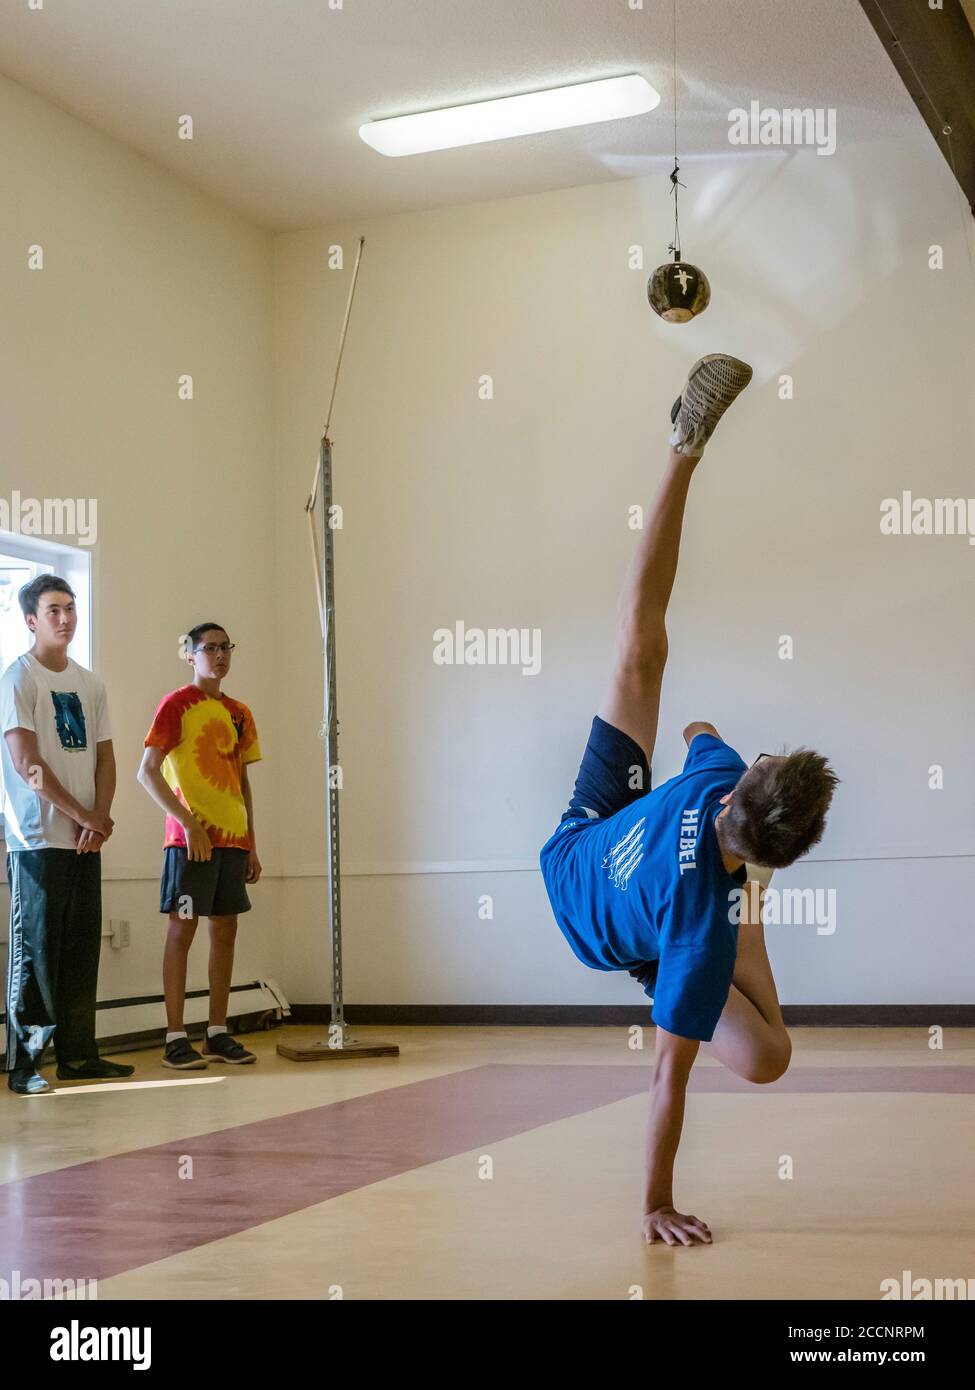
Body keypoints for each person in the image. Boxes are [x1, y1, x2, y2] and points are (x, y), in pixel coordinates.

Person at [539, 355, 839, 1247]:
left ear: (741, 783)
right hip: (605, 878)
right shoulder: (706, 915)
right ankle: (683, 441)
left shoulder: (715, 782)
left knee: (640, 651)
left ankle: (681, 455)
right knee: (770, 1057)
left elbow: (700, 723)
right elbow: (668, 1084)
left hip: (586, 864)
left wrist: (652, 1206)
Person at [1, 575, 133, 1094]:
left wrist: (98, 818)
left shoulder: (90, 683)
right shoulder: (18, 678)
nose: (65, 618)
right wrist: (82, 814)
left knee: (80, 948)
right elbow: (26, 762)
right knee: (36, 952)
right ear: (32, 620)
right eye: (53, 610)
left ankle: (80, 1057)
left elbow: (106, 756)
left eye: (71, 608)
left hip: (84, 838)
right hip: (38, 840)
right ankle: (25, 1066)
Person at [137, 623, 262, 1069]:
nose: (219, 655)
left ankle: (216, 1032)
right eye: (209, 648)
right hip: (190, 843)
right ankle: (175, 1036)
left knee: (225, 930)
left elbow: (242, 780)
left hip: (232, 841)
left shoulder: (240, 712)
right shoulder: (176, 705)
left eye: (226, 646)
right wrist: (188, 824)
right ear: (190, 654)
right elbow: (147, 771)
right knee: (183, 928)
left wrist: (251, 844)